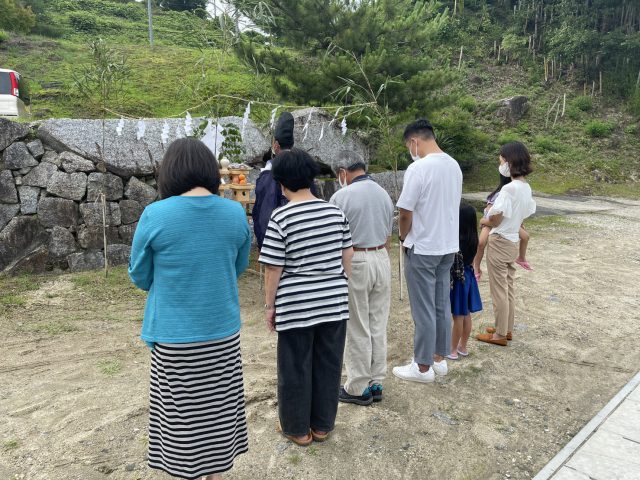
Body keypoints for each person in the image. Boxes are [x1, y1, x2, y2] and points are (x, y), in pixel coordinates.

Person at [128, 138, 251, 480]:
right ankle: (215, 473)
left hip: (173, 337)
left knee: (179, 416)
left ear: (170, 172)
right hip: (222, 333)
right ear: (212, 172)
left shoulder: (155, 214)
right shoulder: (233, 212)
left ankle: (186, 473)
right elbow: (238, 266)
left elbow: (139, 274)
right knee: (218, 411)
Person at [259, 148, 354, 446]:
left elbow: (273, 267)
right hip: (334, 302)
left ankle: (298, 429)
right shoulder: (334, 211)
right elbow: (347, 254)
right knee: (328, 364)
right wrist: (338, 285)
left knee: (295, 366)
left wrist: (270, 305)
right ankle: (323, 425)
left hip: (296, 304)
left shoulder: (281, 217)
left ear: (281, 182)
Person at [393, 118, 463, 383]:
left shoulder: (419, 168)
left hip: (422, 246)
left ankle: (421, 366)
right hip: (447, 246)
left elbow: (405, 211)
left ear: (414, 141)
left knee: (422, 308)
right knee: (440, 304)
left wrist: (403, 236)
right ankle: (438, 358)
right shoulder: (454, 165)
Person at [329, 151, 394, 406]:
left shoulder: (340, 197)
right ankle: (376, 380)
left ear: (343, 172)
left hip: (355, 259)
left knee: (357, 325)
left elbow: (334, 238)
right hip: (381, 257)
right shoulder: (383, 193)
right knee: (378, 321)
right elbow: (389, 234)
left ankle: (357, 386)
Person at [476, 141, 536, 346]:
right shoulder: (526, 188)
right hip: (512, 241)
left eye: (501, 160)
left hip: (500, 240)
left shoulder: (509, 189)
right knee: (508, 287)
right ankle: (505, 328)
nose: (500, 164)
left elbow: (495, 219)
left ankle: (500, 335)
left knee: (498, 289)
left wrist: (484, 220)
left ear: (509, 162)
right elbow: (523, 215)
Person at [473, 160, 532, 281]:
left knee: (525, 236)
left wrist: (519, 222)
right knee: (480, 243)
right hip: (491, 222)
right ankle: (476, 267)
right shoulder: (500, 192)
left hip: (506, 222)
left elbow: (517, 210)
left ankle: (521, 258)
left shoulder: (513, 189)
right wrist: (484, 221)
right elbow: (490, 212)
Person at [252, 112, 295, 249]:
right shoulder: (303, 170)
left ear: (276, 145)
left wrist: (264, 246)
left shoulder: (270, 174)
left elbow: (265, 213)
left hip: (277, 243)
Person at [446, 203, 482, 360]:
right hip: (468, 275)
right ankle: (463, 346)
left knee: (458, 316)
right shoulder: (474, 239)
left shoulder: (456, 241)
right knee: (466, 314)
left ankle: (452, 350)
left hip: (458, 279)